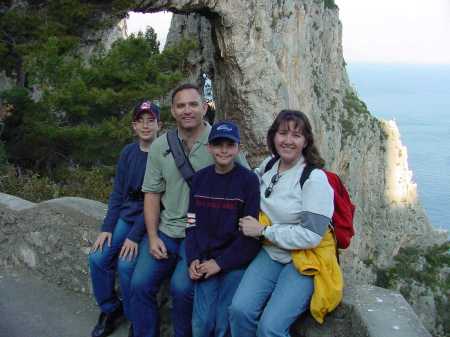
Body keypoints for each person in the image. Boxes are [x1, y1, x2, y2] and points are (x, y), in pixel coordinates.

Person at [130, 84, 248, 337]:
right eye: (180, 105)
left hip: (201, 236)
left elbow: (247, 184)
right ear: (172, 111)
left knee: (182, 289)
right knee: (139, 284)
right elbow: (151, 193)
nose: (187, 110)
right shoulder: (160, 146)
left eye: (193, 104)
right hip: (166, 230)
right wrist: (152, 237)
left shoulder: (221, 143)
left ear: (204, 108)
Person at [229, 109, 335, 337]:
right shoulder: (269, 165)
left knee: (270, 328)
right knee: (239, 311)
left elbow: (311, 236)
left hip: (303, 258)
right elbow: (248, 186)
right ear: (273, 136)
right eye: (283, 133)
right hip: (271, 253)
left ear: (306, 141)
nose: (288, 140)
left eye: (296, 135)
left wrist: (264, 231)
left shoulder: (314, 179)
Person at [88, 100, 161, 337]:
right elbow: (118, 193)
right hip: (125, 216)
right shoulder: (128, 153)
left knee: (126, 265)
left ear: (159, 125)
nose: (146, 126)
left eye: (151, 121)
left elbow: (156, 202)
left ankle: (135, 319)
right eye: (141, 121)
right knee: (98, 258)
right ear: (134, 126)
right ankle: (111, 309)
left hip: (149, 222)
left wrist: (133, 236)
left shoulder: (162, 155)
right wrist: (107, 227)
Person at [185, 121, 261, 337]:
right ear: (209, 147)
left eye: (230, 144)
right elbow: (191, 223)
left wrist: (220, 263)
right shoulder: (199, 179)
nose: (224, 150)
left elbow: (249, 235)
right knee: (201, 324)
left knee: (223, 324)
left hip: (234, 262)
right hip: (205, 259)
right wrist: (192, 259)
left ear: (238, 148)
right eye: (218, 144)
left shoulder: (248, 181)